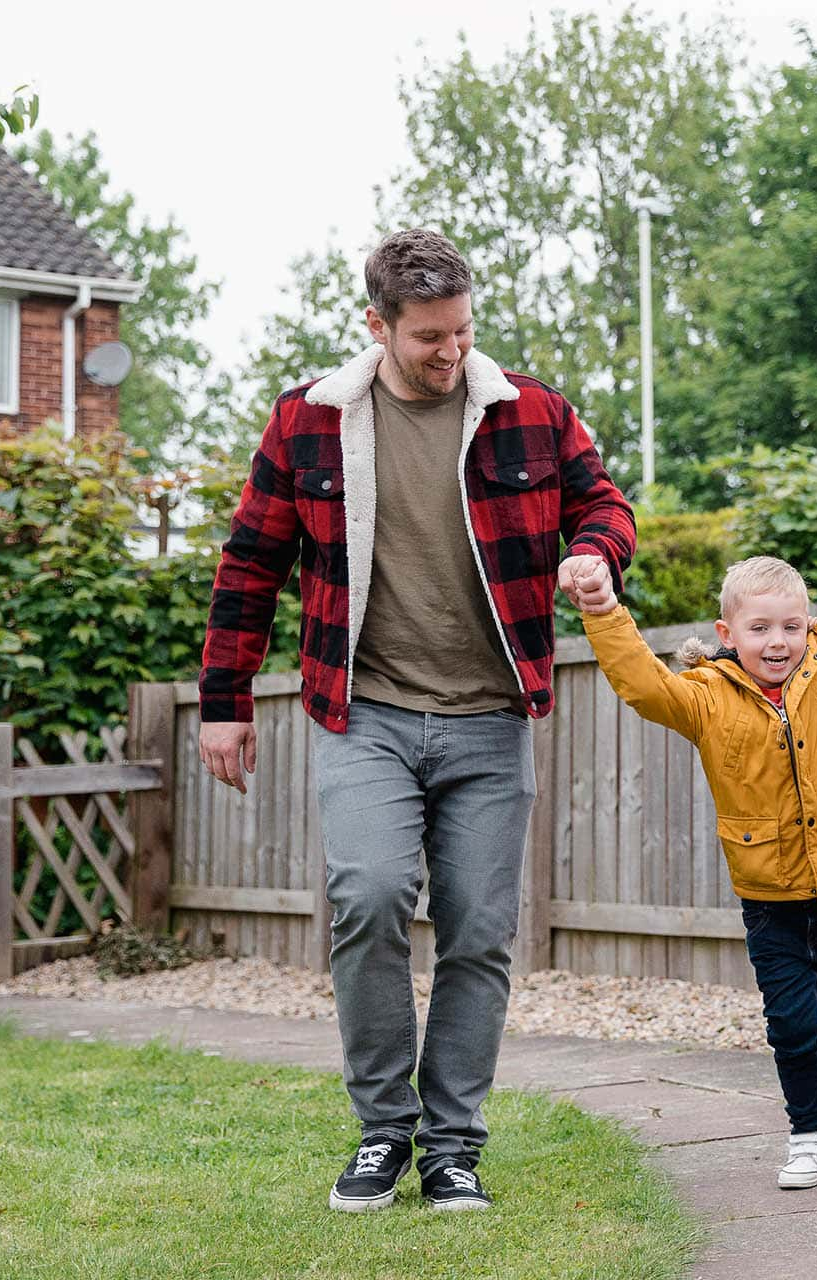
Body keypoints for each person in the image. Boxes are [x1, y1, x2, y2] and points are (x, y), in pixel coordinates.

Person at [195, 228, 636, 1212]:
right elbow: (250, 566)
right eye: (430, 336)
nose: (452, 352)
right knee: (369, 895)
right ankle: (382, 1130)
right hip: (368, 714)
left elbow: (603, 503)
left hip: (491, 717)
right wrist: (223, 704)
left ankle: (453, 1147)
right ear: (379, 326)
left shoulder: (531, 412)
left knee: (479, 929)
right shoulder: (308, 422)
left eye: (464, 331)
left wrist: (599, 551)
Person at [563, 489, 817, 1190]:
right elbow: (641, 686)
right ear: (729, 633)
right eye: (760, 629)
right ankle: (813, 1131)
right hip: (771, 893)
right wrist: (603, 611)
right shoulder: (704, 697)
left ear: (809, 626)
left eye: (790, 625)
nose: (778, 641)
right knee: (791, 1022)